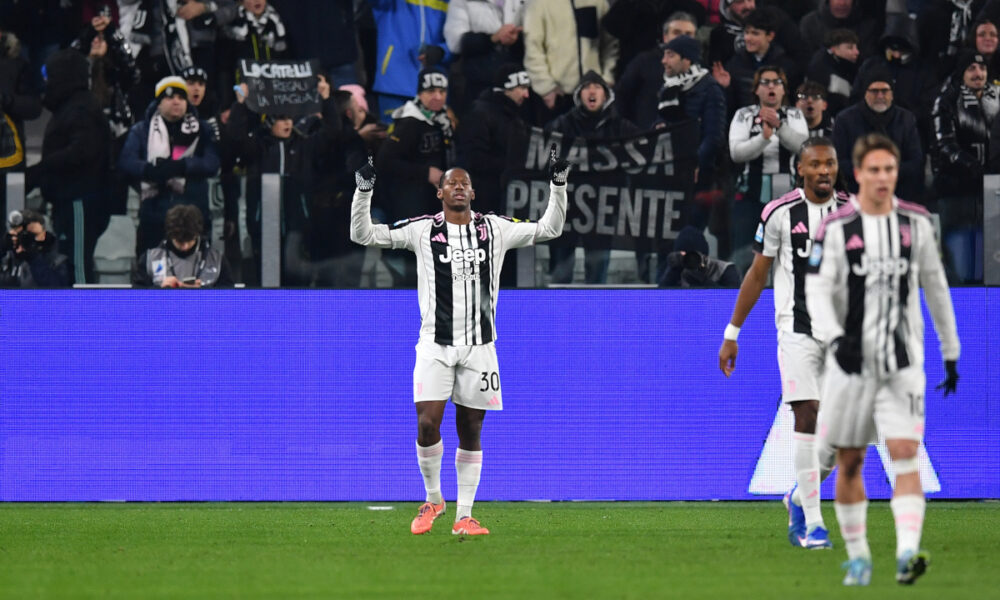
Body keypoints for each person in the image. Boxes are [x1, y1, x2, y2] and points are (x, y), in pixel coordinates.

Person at [349, 151, 571, 536]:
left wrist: (558, 185)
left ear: (473, 191)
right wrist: (363, 190)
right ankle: (434, 499)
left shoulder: (495, 228)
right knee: (427, 422)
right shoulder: (422, 230)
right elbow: (363, 234)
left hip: (481, 347)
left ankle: (464, 516)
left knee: (471, 428)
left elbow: (549, 229)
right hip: (434, 344)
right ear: (439, 193)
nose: (458, 188)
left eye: (464, 184)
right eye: (451, 183)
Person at [806, 133, 960, 586]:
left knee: (904, 454)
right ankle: (859, 557)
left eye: (889, 170)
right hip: (850, 363)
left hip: (903, 364)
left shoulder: (917, 225)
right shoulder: (835, 228)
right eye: (873, 170)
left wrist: (950, 351)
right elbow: (817, 289)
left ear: (897, 174)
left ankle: (907, 553)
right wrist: (835, 339)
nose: (882, 178)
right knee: (848, 460)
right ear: (857, 174)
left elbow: (936, 288)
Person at [719, 137, 846, 549]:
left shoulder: (853, 212)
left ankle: (795, 496)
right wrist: (732, 333)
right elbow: (758, 274)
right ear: (801, 170)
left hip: (843, 336)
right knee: (806, 416)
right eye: (816, 164)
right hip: (796, 331)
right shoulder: (778, 213)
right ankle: (814, 524)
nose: (824, 170)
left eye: (829, 164)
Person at [24, 49, 112, 285]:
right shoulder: (70, 107)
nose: (45, 82)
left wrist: (40, 169)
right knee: (69, 263)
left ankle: (84, 318)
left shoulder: (82, 108)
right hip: (68, 200)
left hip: (80, 201)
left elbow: (80, 151)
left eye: (49, 75)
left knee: (78, 264)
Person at [544, 70, 639, 284]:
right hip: (566, 206)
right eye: (587, 87)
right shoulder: (562, 124)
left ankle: (595, 310)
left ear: (606, 95)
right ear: (579, 95)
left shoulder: (620, 126)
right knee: (561, 267)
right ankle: (558, 309)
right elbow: (543, 153)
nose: (592, 91)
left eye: (597, 87)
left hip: (603, 208)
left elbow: (646, 149)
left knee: (597, 273)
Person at [119, 76, 221, 255]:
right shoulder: (141, 130)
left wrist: (183, 166)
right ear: (158, 103)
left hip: (194, 215)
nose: (176, 102)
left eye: (181, 98)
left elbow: (212, 163)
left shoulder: (203, 130)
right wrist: (150, 170)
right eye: (170, 97)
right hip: (154, 216)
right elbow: (127, 162)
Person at [376, 67, 457, 286]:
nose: (437, 96)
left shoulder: (443, 120)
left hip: (431, 206)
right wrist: (425, 173)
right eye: (431, 91)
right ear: (420, 93)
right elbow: (385, 162)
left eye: (442, 91)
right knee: (409, 270)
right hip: (408, 205)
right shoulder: (409, 122)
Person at [728, 66, 809, 265]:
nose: (771, 86)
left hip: (787, 195)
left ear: (783, 90)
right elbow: (736, 153)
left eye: (777, 82)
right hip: (750, 193)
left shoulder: (794, 115)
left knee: (787, 254)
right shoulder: (744, 114)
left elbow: (804, 148)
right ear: (756, 90)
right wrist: (763, 139)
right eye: (765, 82)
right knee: (745, 253)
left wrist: (779, 127)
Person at [931, 50, 996, 283]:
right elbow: (944, 145)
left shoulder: (996, 97)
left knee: (991, 255)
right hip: (956, 190)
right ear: (962, 73)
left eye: (982, 69)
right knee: (958, 256)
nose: (979, 73)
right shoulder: (947, 100)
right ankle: (958, 308)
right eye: (972, 69)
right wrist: (974, 167)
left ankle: (989, 309)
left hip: (991, 189)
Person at [833, 69, 923, 203]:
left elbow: (915, 162)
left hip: (900, 195)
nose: (880, 95)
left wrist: (886, 174)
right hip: (855, 196)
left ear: (892, 94)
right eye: (874, 91)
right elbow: (838, 161)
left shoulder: (906, 119)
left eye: (885, 91)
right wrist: (869, 174)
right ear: (865, 93)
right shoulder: (845, 120)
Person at [523, 0, 619, 119]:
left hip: (594, 93)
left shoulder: (598, 2)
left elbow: (610, 44)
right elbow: (533, 50)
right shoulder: (540, 4)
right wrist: (546, 88)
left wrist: (607, 78)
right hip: (559, 96)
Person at [617, 11, 699, 130]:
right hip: (645, 138)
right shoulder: (644, 61)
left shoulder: (701, 67)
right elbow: (621, 97)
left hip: (687, 140)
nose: (683, 38)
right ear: (665, 37)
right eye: (677, 33)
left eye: (688, 34)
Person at [133, 203, 233, 288]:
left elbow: (230, 301)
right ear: (170, 236)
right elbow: (135, 301)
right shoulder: (150, 259)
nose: (185, 247)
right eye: (180, 242)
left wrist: (204, 293)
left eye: (190, 241)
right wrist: (159, 291)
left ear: (197, 235)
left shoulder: (216, 260)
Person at [0, 209, 70, 288]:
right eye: (20, 235)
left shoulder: (57, 262)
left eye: (32, 236)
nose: (25, 240)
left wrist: (33, 258)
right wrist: (3, 248)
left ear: (44, 235)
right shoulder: (7, 261)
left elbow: (57, 294)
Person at [805, 29, 860, 119]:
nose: (857, 52)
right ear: (834, 49)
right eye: (850, 48)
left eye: (856, 48)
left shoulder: (845, 65)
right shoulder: (820, 70)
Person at [659, 225, 740, 287]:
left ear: (705, 255)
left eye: (694, 257)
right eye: (686, 257)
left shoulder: (724, 269)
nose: (690, 261)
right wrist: (672, 272)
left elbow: (732, 300)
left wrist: (703, 280)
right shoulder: (677, 269)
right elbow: (658, 301)